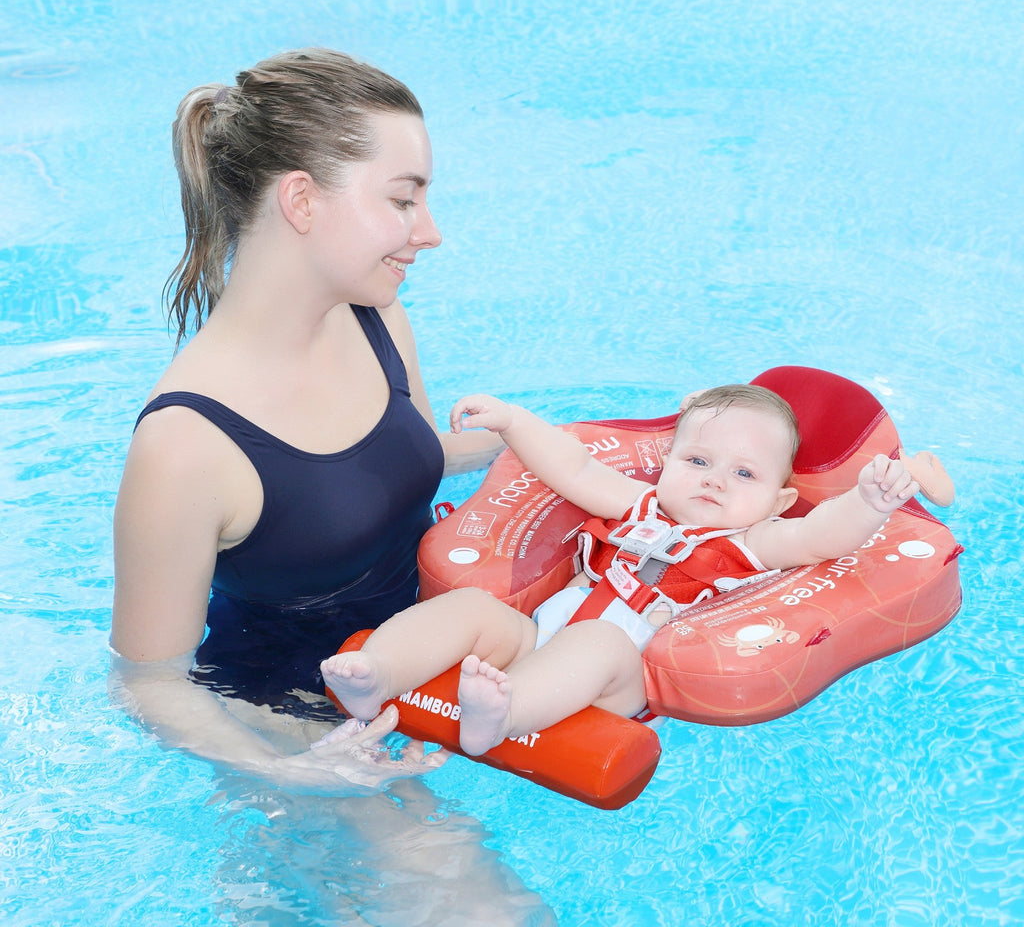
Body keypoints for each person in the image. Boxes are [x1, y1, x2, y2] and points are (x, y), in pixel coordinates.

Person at [110, 49, 505, 792]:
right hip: (294, 719)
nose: (430, 232)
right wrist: (292, 774)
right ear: (301, 201)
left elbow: (403, 456)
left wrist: (561, 444)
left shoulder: (375, 317)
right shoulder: (187, 445)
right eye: (403, 199)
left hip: (419, 657)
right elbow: (146, 682)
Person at [321, 384, 955, 757]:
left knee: (597, 640)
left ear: (779, 499)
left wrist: (872, 501)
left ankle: (501, 719)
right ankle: (375, 675)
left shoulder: (756, 541)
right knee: (471, 612)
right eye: (699, 459)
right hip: (537, 635)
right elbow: (572, 469)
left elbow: (825, 538)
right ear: (668, 461)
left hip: (622, 676)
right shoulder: (640, 506)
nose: (714, 480)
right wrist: (514, 422)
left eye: (744, 474)